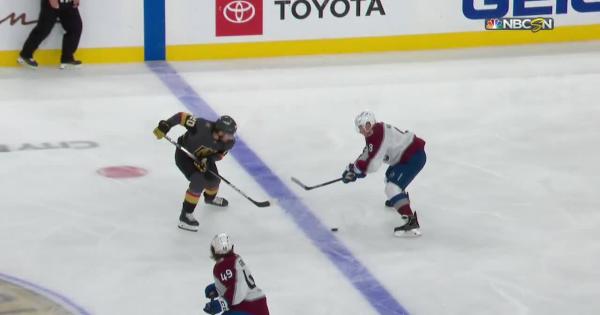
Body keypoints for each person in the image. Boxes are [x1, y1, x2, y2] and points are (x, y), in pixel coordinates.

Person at [341, 111, 426, 237]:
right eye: (359, 128)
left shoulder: (378, 134)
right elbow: (368, 153)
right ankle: (399, 199)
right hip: (406, 157)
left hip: (413, 157)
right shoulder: (374, 132)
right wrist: (353, 168)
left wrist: (357, 171)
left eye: (363, 127)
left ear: (370, 123)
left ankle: (411, 221)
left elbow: (373, 165)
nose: (362, 131)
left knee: (391, 188)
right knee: (389, 178)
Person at [153, 113, 236, 232]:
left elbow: (218, 156)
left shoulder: (229, 143)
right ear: (220, 132)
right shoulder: (201, 125)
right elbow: (181, 117)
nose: (231, 137)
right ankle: (185, 216)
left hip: (204, 158)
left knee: (214, 180)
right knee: (198, 181)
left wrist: (207, 160)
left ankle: (210, 198)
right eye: (229, 134)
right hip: (184, 154)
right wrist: (167, 125)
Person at [203, 233, 270, 315]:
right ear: (232, 247)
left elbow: (237, 290)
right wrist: (217, 287)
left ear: (213, 250)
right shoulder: (235, 259)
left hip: (248, 308)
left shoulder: (222, 265)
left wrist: (222, 303)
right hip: (258, 307)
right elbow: (238, 281)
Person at [18, 0, 83, 69]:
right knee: (44, 29)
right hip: (50, 3)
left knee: (75, 27)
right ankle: (25, 55)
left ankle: (67, 59)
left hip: (69, 3)